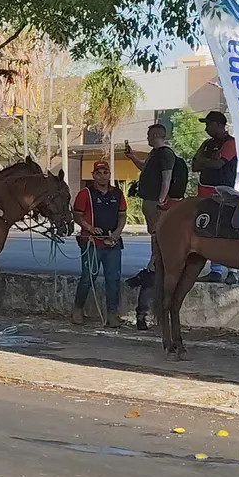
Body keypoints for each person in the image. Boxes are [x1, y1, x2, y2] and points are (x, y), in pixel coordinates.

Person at [71, 161, 127, 328]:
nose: (102, 175)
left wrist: (116, 234)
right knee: (88, 278)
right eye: (99, 172)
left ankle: (112, 314)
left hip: (112, 243)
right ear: (93, 175)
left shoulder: (117, 194)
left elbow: (122, 215)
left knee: (113, 279)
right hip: (91, 242)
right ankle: (77, 309)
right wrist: (89, 228)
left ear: (109, 174)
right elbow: (77, 215)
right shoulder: (85, 193)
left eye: (105, 172)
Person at [194, 111, 238, 283]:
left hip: (223, 192)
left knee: (225, 229)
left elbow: (219, 164)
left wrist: (205, 160)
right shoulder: (207, 143)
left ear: (219, 125)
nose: (206, 128)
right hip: (204, 191)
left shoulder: (230, 143)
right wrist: (207, 160)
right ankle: (215, 270)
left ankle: (232, 270)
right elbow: (195, 165)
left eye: (208, 124)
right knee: (208, 230)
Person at [125, 124, 174, 271]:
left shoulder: (165, 154)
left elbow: (167, 178)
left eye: (148, 135)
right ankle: (155, 259)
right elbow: (143, 167)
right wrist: (132, 157)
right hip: (148, 199)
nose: (147, 138)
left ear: (155, 136)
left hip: (156, 200)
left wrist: (161, 200)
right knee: (153, 231)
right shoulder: (154, 153)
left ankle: (156, 260)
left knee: (157, 232)